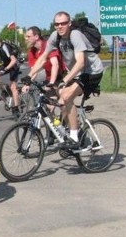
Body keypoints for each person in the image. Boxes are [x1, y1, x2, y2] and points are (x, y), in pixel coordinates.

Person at [25, 11, 104, 148]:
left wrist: (65, 80)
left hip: (91, 72)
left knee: (66, 96)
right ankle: (73, 130)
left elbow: (81, 62)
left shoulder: (75, 35)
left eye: (63, 23)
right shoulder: (55, 37)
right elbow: (43, 57)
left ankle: (74, 137)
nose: (60, 26)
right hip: (78, 73)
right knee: (61, 101)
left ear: (69, 23)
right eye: (57, 24)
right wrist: (29, 75)